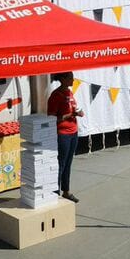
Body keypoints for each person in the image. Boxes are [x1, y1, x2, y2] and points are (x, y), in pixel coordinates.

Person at [48, 72, 83, 203]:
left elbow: (73, 109)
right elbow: (51, 118)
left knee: (68, 163)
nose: (73, 80)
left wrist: (79, 113)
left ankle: (66, 191)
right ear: (62, 79)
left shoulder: (70, 93)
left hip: (73, 132)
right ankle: (55, 193)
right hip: (62, 135)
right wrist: (70, 115)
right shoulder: (55, 96)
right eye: (70, 78)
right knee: (60, 164)